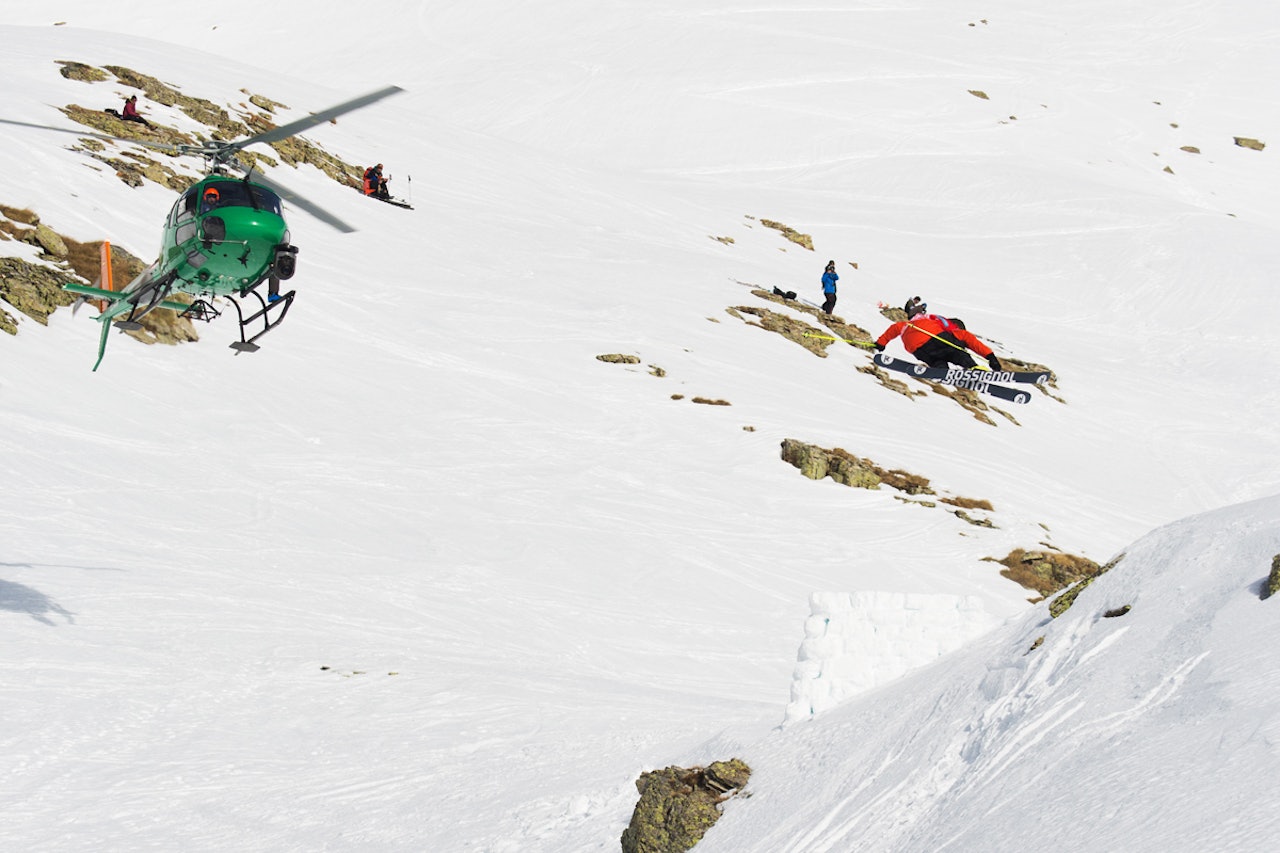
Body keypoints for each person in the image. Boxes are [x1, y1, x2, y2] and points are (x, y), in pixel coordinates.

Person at [875, 297, 1002, 371]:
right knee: (958, 352)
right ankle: (972, 368)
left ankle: (941, 370)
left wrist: (880, 344)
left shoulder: (905, 325)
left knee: (938, 360)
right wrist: (990, 357)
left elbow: (893, 329)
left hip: (916, 349)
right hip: (933, 338)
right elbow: (968, 338)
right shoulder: (940, 322)